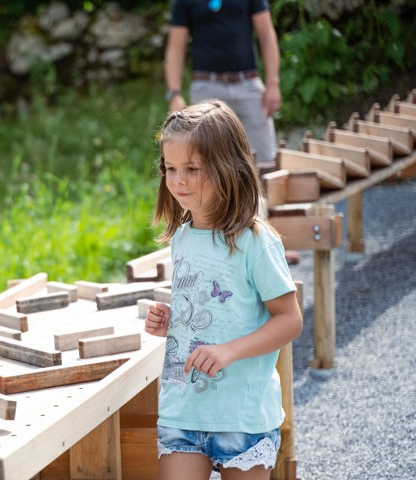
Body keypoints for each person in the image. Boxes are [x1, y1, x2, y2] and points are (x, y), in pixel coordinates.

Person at [144, 100, 303, 479]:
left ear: (226, 167)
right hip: (182, 412)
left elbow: (290, 320)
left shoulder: (255, 241)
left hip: (242, 416)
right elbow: (210, 314)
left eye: (192, 169)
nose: (178, 179)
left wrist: (229, 351)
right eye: (171, 168)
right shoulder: (182, 237)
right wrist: (172, 323)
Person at [164, 0, 301, 265]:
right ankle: (217, 243)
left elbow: (266, 34)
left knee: (265, 165)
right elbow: (176, 46)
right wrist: (175, 94)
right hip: (206, 87)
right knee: (204, 166)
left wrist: (272, 83)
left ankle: (271, 246)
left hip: (247, 83)